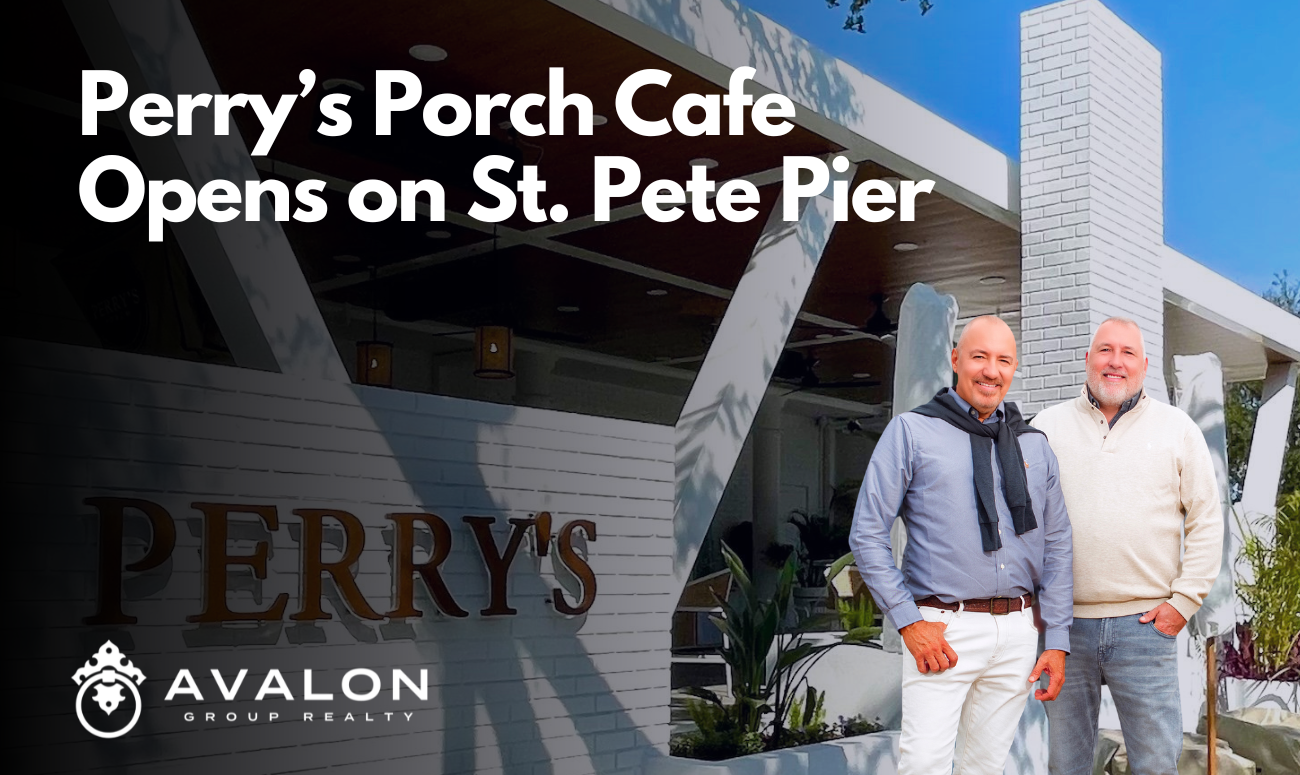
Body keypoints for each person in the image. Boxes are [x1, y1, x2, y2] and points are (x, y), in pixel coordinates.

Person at [850, 316, 1074, 775]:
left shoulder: (1035, 445)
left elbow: (1057, 545)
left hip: (1017, 633)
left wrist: (1056, 639)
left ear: (1014, 369)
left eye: (1003, 360)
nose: (991, 370)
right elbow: (867, 534)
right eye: (979, 356)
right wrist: (909, 622)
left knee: (986, 767)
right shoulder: (911, 432)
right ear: (956, 360)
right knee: (924, 766)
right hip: (941, 631)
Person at [1031, 317, 1222, 775]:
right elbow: (1025, 524)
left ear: (1144, 365)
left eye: (1127, 353)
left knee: (1156, 764)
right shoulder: (1046, 427)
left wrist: (1184, 602)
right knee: (1065, 765)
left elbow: (1207, 521)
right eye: (1105, 351)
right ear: (1088, 359)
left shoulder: (1178, 429)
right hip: (1062, 629)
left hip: (1146, 627)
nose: (1115, 362)